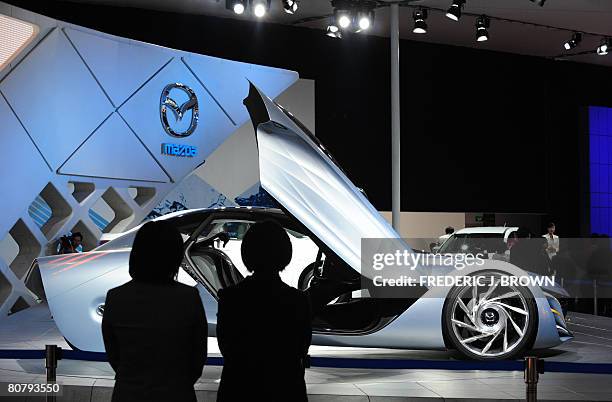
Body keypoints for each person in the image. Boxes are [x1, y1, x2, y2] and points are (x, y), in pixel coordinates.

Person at [101, 221, 207, 402]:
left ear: (137, 254)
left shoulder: (116, 297)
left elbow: (114, 356)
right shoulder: (188, 297)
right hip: (176, 393)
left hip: (129, 393)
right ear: (174, 255)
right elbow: (197, 358)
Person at [216, 220, 312, 402]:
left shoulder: (230, 298)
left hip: (238, 388)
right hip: (285, 388)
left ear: (247, 253)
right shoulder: (298, 300)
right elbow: (301, 348)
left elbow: (227, 348)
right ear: (285, 254)